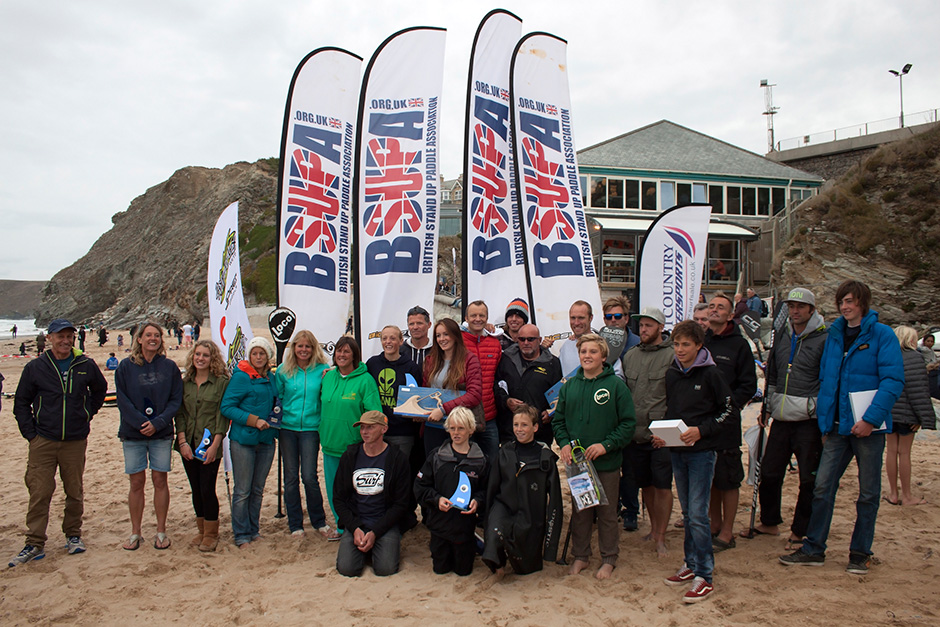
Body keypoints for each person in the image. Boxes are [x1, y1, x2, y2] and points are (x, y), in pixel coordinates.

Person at [780, 280, 904, 574]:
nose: (845, 307)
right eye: (841, 302)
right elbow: (827, 382)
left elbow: (893, 381)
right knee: (822, 488)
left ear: (863, 302)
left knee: (868, 493)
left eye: (850, 301)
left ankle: (860, 553)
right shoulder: (834, 334)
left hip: (868, 430)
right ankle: (814, 548)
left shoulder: (882, 335)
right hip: (835, 429)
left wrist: (870, 419)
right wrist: (825, 424)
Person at [10, 319, 107, 567]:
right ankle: (34, 542)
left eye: (69, 336)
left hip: (75, 440)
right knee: (40, 491)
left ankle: (73, 535)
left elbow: (100, 390)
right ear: (50, 338)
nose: (65, 341)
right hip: (43, 439)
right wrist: (30, 433)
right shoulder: (36, 367)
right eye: (60, 336)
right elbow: (21, 401)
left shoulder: (84, 364)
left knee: (74, 490)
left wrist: (86, 414)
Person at [744, 288, 826, 549]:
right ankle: (769, 522)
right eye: (791, 306)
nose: (795, 310)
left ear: (811, 310)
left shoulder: (824, 338)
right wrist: (766, 407)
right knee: (768, 473)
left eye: (801, 306)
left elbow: (826, 379)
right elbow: (775, 375)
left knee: (808, 480)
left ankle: (800, 531)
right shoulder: (782, 335)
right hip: (780, 416)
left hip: (809, 421)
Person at [552, 333, 636, 580]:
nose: (587, 356)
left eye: (592, 352)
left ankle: (609, 557)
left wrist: (606, 445)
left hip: (607, 463)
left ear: (603, 356)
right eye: (583, 352)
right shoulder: (570, 386)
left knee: (608, 513)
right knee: (581, 511)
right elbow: (559, 421)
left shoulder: (616, 386)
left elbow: (628, 424)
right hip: (578, 465)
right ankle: (581, 556)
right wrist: (564, 444)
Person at [662, 320, 734, 604]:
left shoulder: (712, 374)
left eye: (686, 345)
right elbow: (673, 410)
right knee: (689, 514)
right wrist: (663, 435)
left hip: (703, 452)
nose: (680, 350)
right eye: (677, 344)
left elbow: (727, 410)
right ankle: (690, 563)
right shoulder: (672, 373)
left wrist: (701, 431)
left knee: (698, 514)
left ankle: (705, 574)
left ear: (699, 345)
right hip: (678, 451)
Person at [115, 321, 183, 551]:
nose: (153, 339)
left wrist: (158, 423)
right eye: (148, 335)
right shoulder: (125, 367)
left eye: (157, 335)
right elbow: (122, 400)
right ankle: (136, 533)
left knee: (160, 480)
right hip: (133, 434)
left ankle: (161, 531)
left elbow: (176, 400)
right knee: (136, 483)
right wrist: (140, 422)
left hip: (161, 433)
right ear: (140, 339)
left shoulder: (170, 367)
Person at [704, 292, 757, 552]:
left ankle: (727, 531)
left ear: (730, 314)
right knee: (710, 476)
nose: (714, 310)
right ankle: (714, 524)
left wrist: (730, 406)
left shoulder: (740, 345)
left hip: (726, 423)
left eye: (720, 307)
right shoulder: (702, 341)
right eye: (711, 306)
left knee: (728, 479)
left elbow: (749, 385)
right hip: (702, 422)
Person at [482, 404, 562, 575]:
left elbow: (555, 502)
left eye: (524, 425)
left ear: (535, 427)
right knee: (493, 541)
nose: (519, 429)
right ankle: (499, 565)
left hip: (531, 515)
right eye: (516, 425)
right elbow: (492, 488)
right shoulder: (505, 453)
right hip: (505, 507)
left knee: (525, 567)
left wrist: (550, 548)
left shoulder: (546, 458)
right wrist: (486, 520)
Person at [621, 307, 674, 555]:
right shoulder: (630, 356)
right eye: (641, 325)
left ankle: (662, 536)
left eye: (649, 325)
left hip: (662, 434)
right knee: (647, 486)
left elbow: (677, 397)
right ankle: (654, 529)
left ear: (660, 328)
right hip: (636, 432)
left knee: (663, 486)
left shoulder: (673, 355)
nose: (643, 329)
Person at [334, 411, 413, 577]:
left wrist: (376, 531)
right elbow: (339, 499)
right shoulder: (349, 456)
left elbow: (401, 503)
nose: (364, 432)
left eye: (370, 427)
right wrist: (355, 528)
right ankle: (364, 546)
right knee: (347, 569)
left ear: (384, 429)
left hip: (384, 522)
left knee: (386, 569)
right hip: (357, 521)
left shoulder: (397, 459)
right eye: (362, 427)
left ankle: (378, 545)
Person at [275, 330, 337, 540]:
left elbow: (326, 396)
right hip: (287, 429)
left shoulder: (323, 370)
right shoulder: (283, 371)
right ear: (293, 348)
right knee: (290, 477)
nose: (303, 350)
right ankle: (295, 525)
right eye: (299, 346)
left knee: (309, 476)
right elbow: (278, 398)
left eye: (307, 346)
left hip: (311, 429)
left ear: (313, 348)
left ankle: (318, 521)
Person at [415, 407, 488, 576]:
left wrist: (478, 500)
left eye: (461, 428)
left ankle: (474, 542)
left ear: (471, 430)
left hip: (464, 527)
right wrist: (436, 499)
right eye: (453, 428)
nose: (456, 433)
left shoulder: (480, 460)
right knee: (440, 569)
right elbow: (420, 487)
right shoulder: (437, 457)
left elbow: (487, 489)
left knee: (463, 571)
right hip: (439, 525)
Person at [221, 336, 278, 547]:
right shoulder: (241, 377)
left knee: (257, 489)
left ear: (268, 356)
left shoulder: (271, 378)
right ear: (249, 355)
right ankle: (241, 533)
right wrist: (253, 421)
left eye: (262, 353)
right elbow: (227, 407)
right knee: (243, 490)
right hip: (244, 440)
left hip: (266, 441)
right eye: (254, 353)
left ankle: (254, 529)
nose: (258, 357)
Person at [320, 335, 382, 527]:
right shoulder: (328, 376)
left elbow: (374, 413)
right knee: (334, 490)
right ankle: (341, 526)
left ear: (354, 355)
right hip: (330, 445)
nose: (342, 354)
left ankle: (356, 525)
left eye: (347, 351)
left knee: (355, 490)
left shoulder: (365, 380)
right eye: (339, 350)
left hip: (354, 447)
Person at [174, 340, 229, 552]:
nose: (200, 358)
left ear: (212, 358)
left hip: (210, 444)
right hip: (188, 443)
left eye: (205, 355)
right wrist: (182, 442)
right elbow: (180, 413)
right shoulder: (185, 381)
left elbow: (221, 417)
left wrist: (215, 445)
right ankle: (201, 529)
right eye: (197, 354)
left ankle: (211, 533)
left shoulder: (221, 382)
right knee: (195, 488)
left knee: (207, 488)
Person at [884, 325, 935, 506]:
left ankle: (893, 494)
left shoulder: (887, 356)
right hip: (907, 414)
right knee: (904, 453)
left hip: (889, 411)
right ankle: (906, 496)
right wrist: (923, 418)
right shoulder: (916, 358)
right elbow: (919, 391)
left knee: (890, 451)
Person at [421, 318, 484, 456]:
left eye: (446, 334)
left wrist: (443, 410)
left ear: (455, 335)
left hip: (458, 427)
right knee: (434, 469)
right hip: (433, 426)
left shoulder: (469, 360)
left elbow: (474, 395)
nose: (442, 339)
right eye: (438, 335)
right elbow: (425, 390)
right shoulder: (430, 360)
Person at [494, 323, 562, 444]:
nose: (526, 343)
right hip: (510, 432)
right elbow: (496, 386)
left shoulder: (553, 363)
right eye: (522, 339)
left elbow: (560, 393)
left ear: (539, 340)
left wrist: (551, 412)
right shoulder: (505, 359)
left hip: (539, 433)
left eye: (531, 339)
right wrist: (506, 401)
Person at [366, 325, 423, 459]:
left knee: (399, 471)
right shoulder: (372, 364)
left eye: (392, 338)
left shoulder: (411, 368)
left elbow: (417, 398)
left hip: (402, 432)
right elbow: (355, 375)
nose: (388, 342)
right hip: (378, 430)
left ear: (401, 341)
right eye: (384, 338)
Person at [461, 300, 503, 461]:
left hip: (489, 415)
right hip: (464, 415)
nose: (477, 319)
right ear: (466, 317)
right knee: (466, 464)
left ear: (487, 318)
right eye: (473, 315)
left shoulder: (494, 343)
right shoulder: (457, 341)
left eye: (481, 315)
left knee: (492, 463)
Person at [556, 300, 624, 378]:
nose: (576, 322)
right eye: (573, 318)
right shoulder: (566, 346)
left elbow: (618, 378)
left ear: (590, 318)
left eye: (581, 318)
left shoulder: (604, 345)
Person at [602, 296, 641, 360]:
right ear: (604, 320)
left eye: (618, 316)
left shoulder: (638, 344)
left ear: (626, 319)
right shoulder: (598, 344)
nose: (613, 320)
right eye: (609, 317)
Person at [404, 305, 433, 371]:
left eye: (419, 323)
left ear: (429, 325)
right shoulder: (400, 351)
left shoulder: (437, 351)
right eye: (411, 324)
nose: (415, 327)